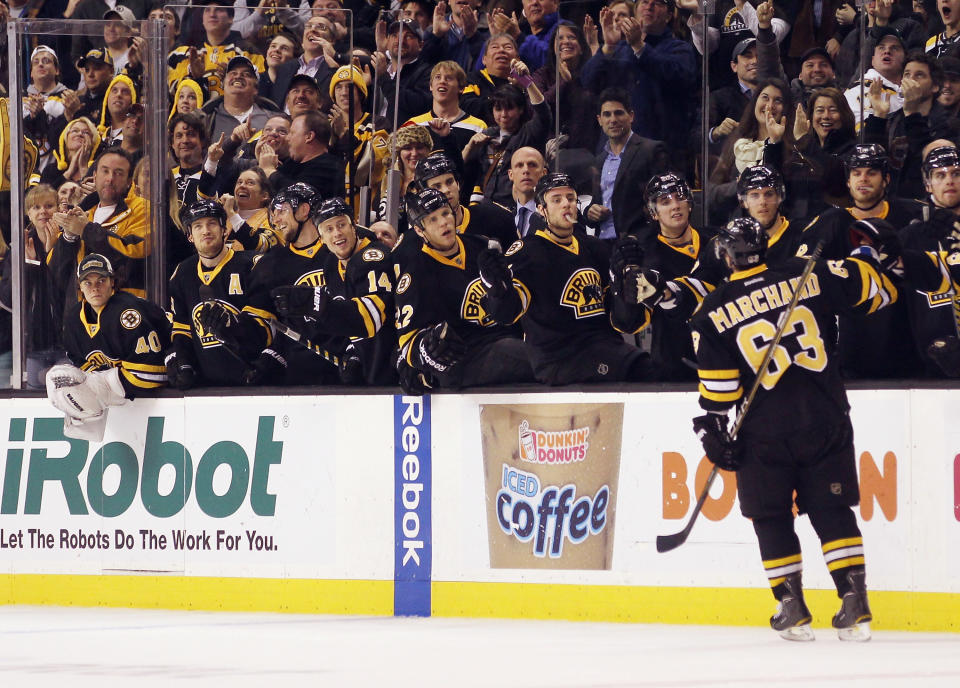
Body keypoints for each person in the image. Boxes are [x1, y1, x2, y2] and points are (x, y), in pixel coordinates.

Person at [689, 216, 899, 642]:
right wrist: (867, 254)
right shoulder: (810, 273)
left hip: (764, 432)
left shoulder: (712, 310)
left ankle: (791, 606)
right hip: (827, 417)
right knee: (831, 510)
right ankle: (854, 602)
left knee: (769, 517)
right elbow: (880, 291)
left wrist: (710, 431)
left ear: (727, 256)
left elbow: (721, 394)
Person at [481, 172, 649, 384]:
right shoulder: (527, 252)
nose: (566, 204)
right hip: (559, 358)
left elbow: (626, 324)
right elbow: (506, 315)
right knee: (644, 371)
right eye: (556, 200)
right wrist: (498, 288)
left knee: (654, 367)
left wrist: (624, 278)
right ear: (541, 210)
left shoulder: (594, 247)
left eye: (570, 198)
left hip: (605, 347)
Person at [796, 144, 924, 378]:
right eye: (856, 173)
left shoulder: (912, 216)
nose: (862, 179)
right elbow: (801, 279)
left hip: (908, 343)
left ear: (886, 179)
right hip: (853, 346)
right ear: (847, 181)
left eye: (871, 172)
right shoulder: (829, 224)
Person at [199, 182, 339, 386]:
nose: (275, 220)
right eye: (273, 214)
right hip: (299, 374)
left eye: (281, 211)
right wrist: (232, 328)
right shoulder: (270, 265)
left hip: (345, 367)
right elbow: (261, 327)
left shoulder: (339, 251)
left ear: (303, 210)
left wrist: (355, 353)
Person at [393, 187, 534, 390]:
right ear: (419, 230)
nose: (443, 222)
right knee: (539, 359)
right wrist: (426, 350)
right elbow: (408, 342)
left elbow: (511, 314)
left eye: (445, 213)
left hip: (505, 342)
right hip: (464, 360)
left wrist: (500, 290)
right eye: (432, 219)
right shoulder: (415, 274)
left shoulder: (483, 247)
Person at [271, 197, 397, 385]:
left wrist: (313, 302)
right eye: (329, 229)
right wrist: (352, 352)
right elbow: (347, 322)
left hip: (394, 371)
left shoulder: (373, 258)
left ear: (353, 227)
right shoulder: (332, 265)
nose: (337, 233)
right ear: (321, 238)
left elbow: (371, 318)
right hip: (370, 373)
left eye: (341, 225)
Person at [46, 253, 169, 440]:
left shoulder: (127, 313)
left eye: (101, 280)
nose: (95, 288)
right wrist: (92, 387)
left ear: (112, 282)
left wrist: (104, 387)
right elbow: (80, 362)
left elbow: (156, 372)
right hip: (127, 386)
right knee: (61, 383)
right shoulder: (73, 320)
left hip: (180, 366)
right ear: (79, 286)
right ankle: (88, 424)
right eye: (88, 283)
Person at [166, 200, 257, 389]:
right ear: (190, 236)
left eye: (212, 223)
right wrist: (184, 362)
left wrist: (233, 328)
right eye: (198, 226)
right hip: (206, 384)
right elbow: (182, 328)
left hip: (250, 381)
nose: (206, 230)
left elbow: (263, 327)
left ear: (224, 229)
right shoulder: (182, 273)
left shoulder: (250, 265)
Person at [48, 147, 150, 304]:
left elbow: (133, 253)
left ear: (129, 182)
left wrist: (85, 229)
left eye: (118, 173)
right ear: (94, 176)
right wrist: (69, 237)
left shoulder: (141, 208)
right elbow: (55, 274)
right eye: (105, 171)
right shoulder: (82, 214)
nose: (110, 179)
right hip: (84, 315)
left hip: (128, 311)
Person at [899, 145, 960, 374]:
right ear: (928, 184)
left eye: (955, 173)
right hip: (928, 371)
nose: (949, 181)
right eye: (940, 175)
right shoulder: (910, 237)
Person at [584, 87, 668, 239]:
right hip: (603, 246)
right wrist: (590, 212)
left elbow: (664, 201)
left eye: (619, 113)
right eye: (607, 114)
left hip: (639, 245)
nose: (613, 120)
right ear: (599, 120)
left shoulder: (651, 150)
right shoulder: (599, 160)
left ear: (631, 116)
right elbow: (599, 201)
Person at [415, 151, 517, 249]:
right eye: (437, 186)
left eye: (449, 182)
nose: (446, 190)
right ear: (423, 194)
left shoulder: (497, 218)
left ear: (458, 184)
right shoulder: (414, 241)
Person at [262, 111, 344, 198]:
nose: (287, 138)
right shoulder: (292, 163)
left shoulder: (329, 167)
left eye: (292, 133)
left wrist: (270, 171)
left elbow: (301, 195)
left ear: (309, 136)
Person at [505, 146, 548, 237]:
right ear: (511, 175)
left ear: (544, 173)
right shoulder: (504, 218)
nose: (526, 170)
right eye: (519, 165)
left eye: (532, 165)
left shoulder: (555, 215)